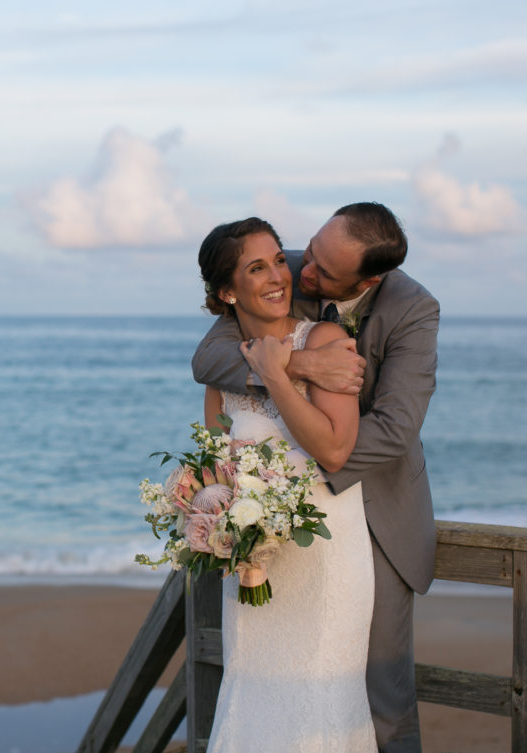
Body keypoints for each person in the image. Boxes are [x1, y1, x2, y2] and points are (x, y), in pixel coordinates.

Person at [193, 203, 439, 753]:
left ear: (368, 278)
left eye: (324, 273)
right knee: (257, 684)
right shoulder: (285, 271)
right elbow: (209, 357)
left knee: (379, 696)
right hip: (273, 525)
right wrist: (298, 365)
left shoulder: (414, 309)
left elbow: (395, 429)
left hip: (369, 514)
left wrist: (296, 481)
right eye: (308, 251)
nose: (302, 274)